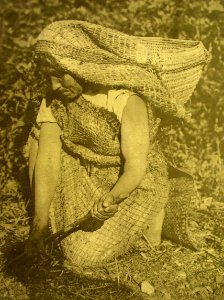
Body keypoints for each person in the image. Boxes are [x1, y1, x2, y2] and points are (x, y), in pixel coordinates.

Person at [24, 20, 210, 268]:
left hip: (130, 184)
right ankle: (45, 224)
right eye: (48, 78)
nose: (54, 85)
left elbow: (135, 167)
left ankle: (149, 220)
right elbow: (47, 160)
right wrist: (38, 227)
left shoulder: (125, 99)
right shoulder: (55, 99)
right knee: (39, 138)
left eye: (60, 75)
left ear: (79, 68)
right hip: (85, 175)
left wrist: (111, 200)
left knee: (82, 257)